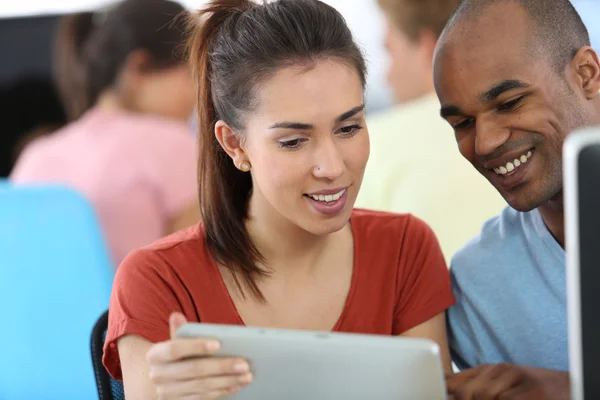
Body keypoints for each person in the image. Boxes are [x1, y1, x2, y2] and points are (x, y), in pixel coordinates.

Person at [102, 0, 456, 398]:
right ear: (235, 145)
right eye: (293, 141)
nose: (332, 166)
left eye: (349, 128)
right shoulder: (159, 280)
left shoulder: (405, 250)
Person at [433, 0, 600, 398]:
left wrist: (574, 391)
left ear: (587, 75)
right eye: (463, 124)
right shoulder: (478, 285)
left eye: (509, 104)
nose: (486, 142)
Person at [10, 0, 199, 266]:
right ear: (139, 68)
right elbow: (195, 272)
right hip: (135, 308)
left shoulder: (36, 155)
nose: (197, 95)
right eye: (192, 75)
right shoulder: (173, 145)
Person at [355, 0, 506, 262]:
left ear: (428, 49)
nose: (387, 76)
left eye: (390, 52)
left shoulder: (369, 146)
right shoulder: (523, 129)